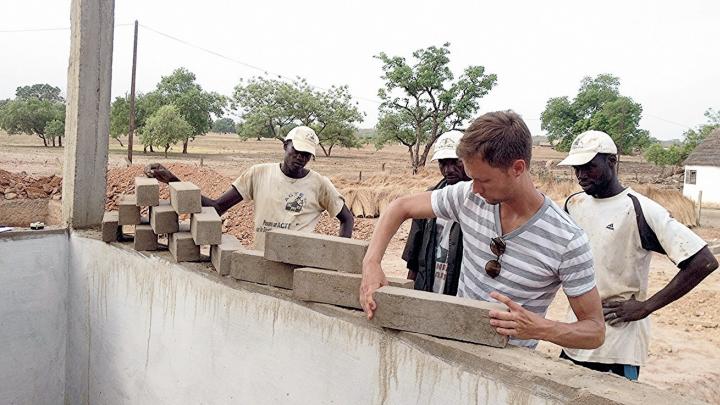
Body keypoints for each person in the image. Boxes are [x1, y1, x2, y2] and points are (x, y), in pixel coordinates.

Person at [360, 111, 605, 349]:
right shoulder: (468, 198)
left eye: (484, 180)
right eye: (471, 178)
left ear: (517, 168)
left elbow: (594, 331)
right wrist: (372, 263)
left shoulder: (567, 240)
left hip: (508, 372)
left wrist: (539, 328)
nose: (474, 188)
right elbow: (400, 207)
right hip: (455, 347)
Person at [557, 130, 718, 380]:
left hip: (617, 347)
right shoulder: (574, 204)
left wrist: (645, 307)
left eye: (589, 166)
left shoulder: (640, 209)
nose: (581, 175)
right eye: (576, 168)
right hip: (575, 337)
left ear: (612, 161)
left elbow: (704, 261)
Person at [145, 126, 354, 249]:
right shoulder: (258, 174)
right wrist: (173, 180)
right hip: (260, 258)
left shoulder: (320, 184)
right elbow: (217, 206)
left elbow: (347, 218)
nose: (300, 158)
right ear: (285, 146)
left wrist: (340, 254)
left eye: (306, 155)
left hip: (299, 264)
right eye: (296, 151)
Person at [402, 130, 470, 295]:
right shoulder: (429, 198)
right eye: (443, 163)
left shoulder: (481, 200)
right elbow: (414, 255)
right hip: (428, 285)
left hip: (460, 292)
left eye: (455, 162)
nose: (448, 170)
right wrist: (410, 293)